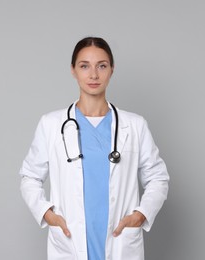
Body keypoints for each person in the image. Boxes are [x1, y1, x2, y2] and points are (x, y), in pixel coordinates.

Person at [19, 36, 169, 260]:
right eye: (84, 66)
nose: (93, 75)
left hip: (121, 243)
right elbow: (29, 177)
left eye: (102, 66)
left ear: (112, 69)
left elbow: (158, 178)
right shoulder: (51, 124)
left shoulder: (135, 125)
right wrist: (47, 214)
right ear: (73, 70)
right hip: (69, 244)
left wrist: (140, 215)